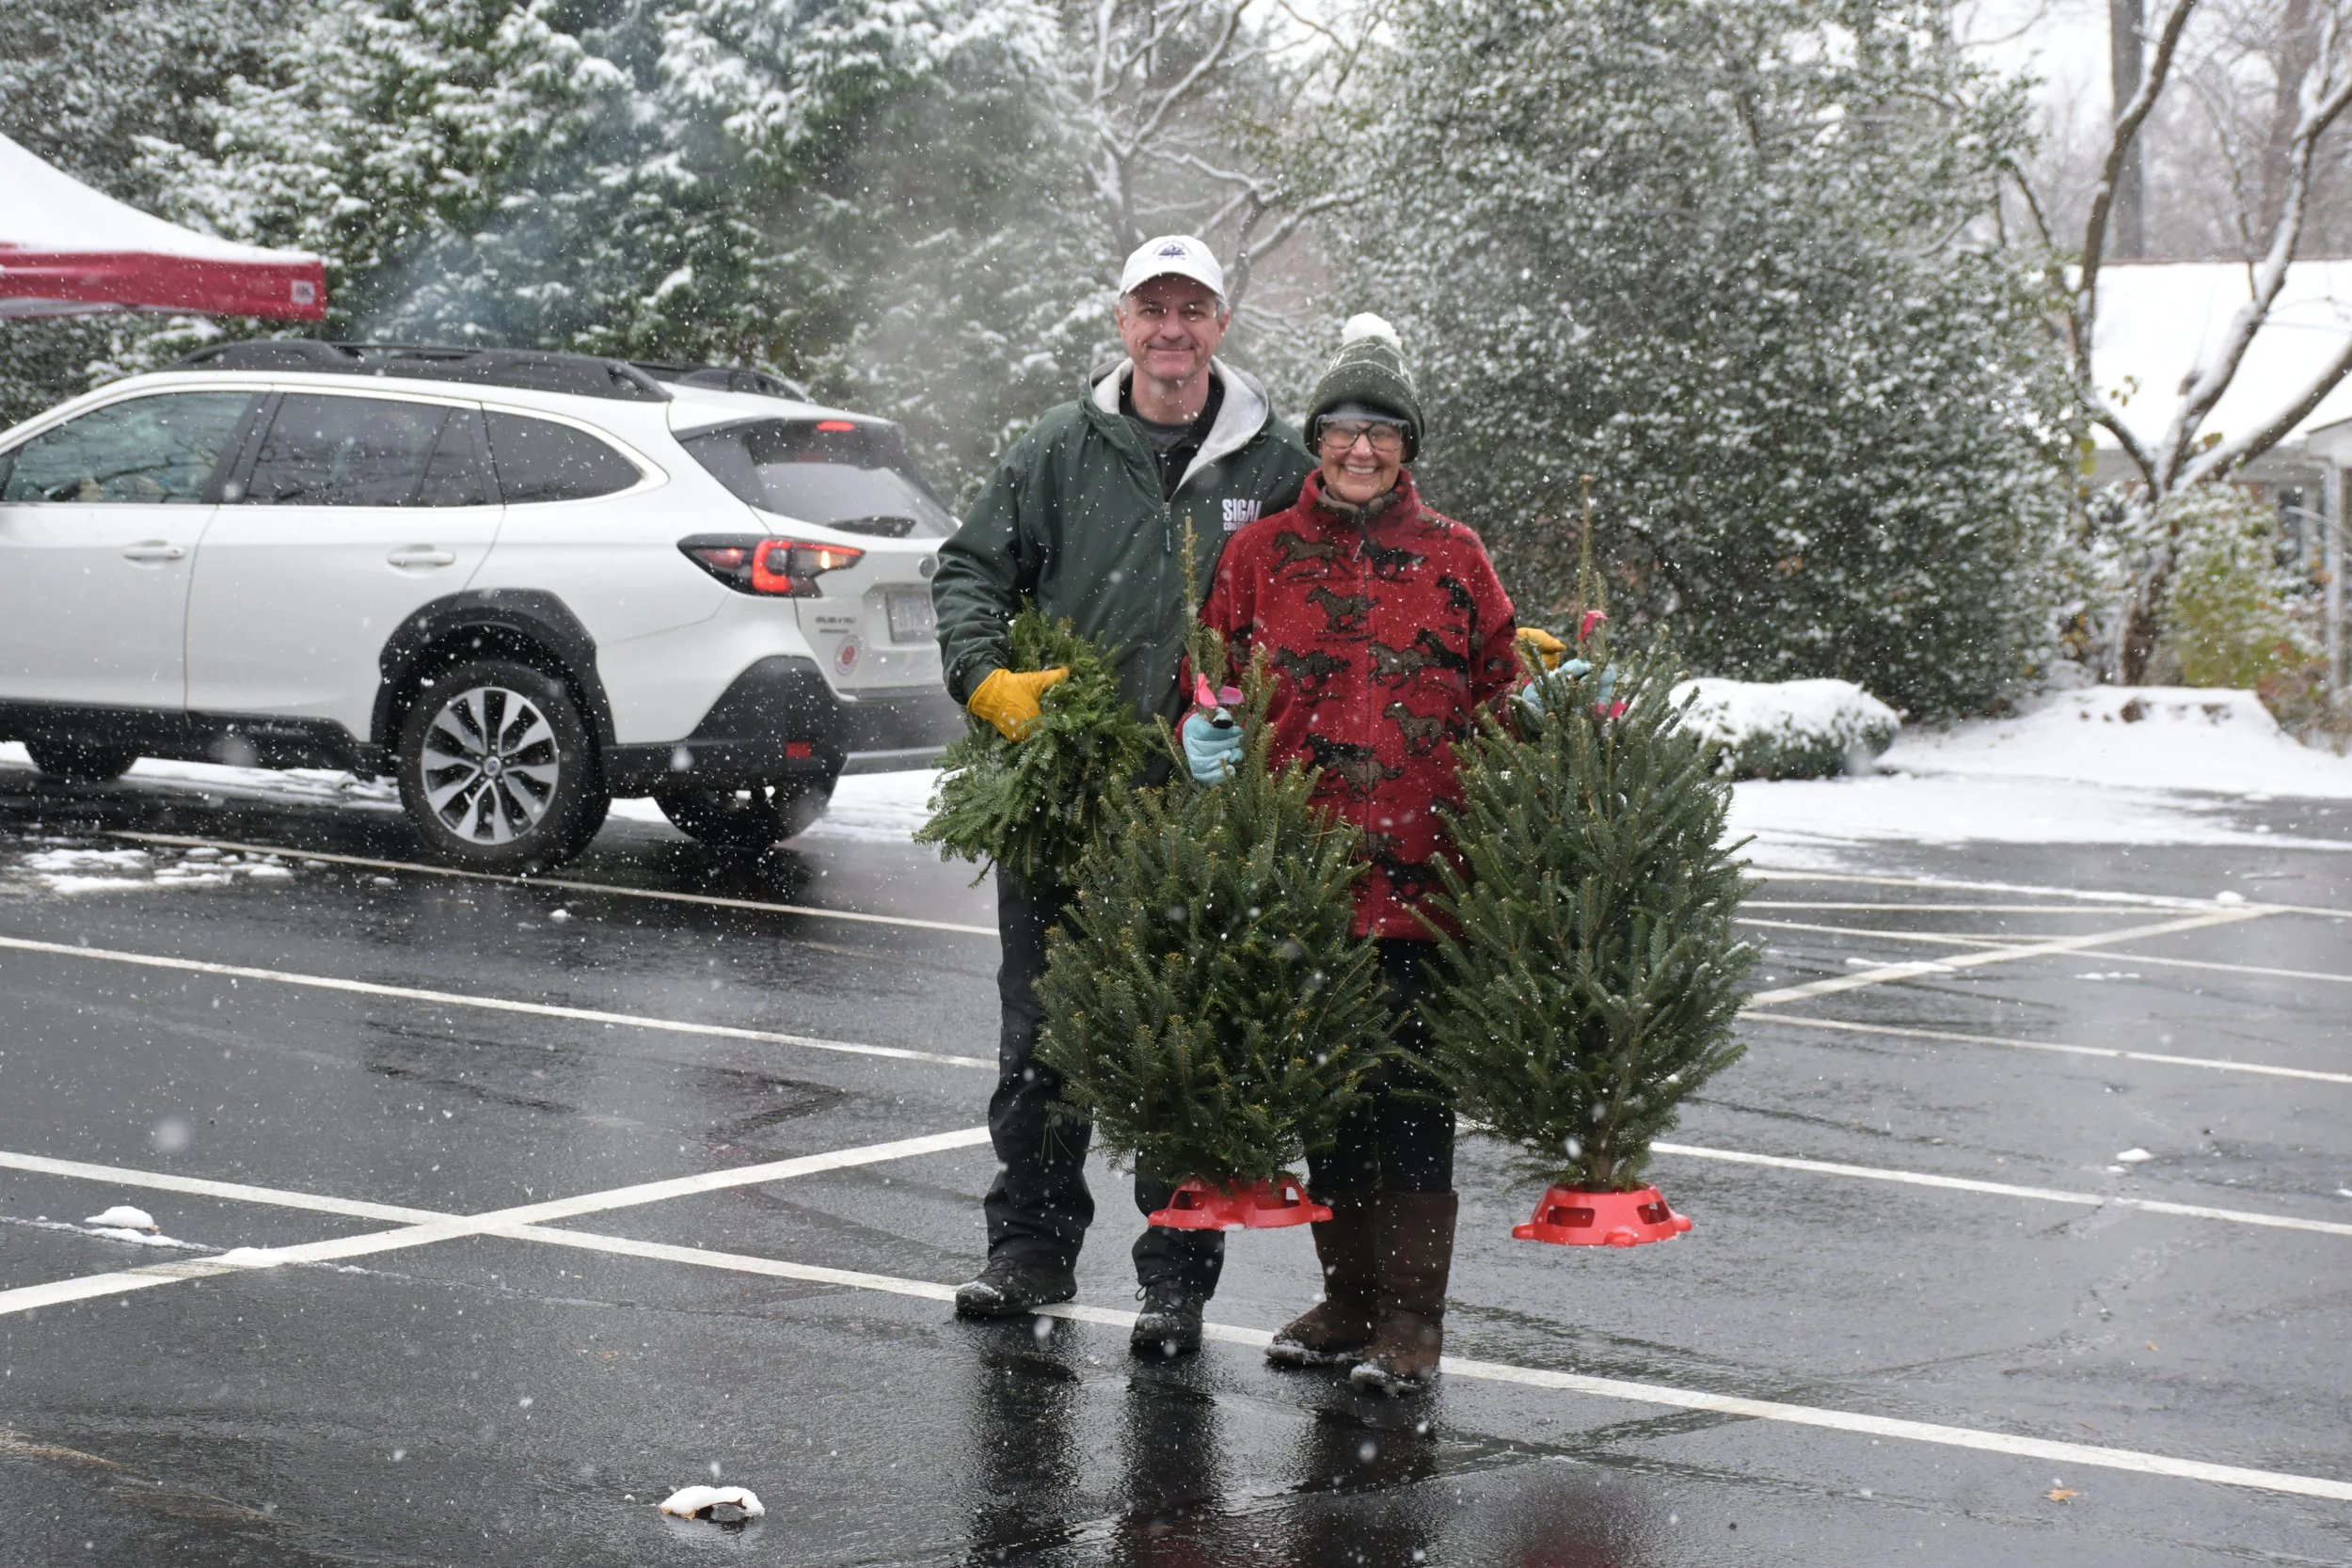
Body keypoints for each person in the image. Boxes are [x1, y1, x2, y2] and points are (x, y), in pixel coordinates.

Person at [930, 235, 1317, 1358]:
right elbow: (968, 569)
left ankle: (1175, 1278)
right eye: (1153, 308)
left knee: (1182, 1038)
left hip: (1203, 803)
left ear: (1221, 325)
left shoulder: (1274, 465)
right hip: (1069, 789)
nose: (1171, 329)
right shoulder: (1058, 448)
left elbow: (1335, 576)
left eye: (1192, 308)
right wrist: (985, 679)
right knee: (1041, 1033)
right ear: (1121, 322)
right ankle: (1031, 1249)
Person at [1190, 314, 1536, 1392]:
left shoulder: (1454, 553)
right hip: (1299, 875)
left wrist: (1546, 708)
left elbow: (1502, 682)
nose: (1360, 448)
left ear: (1407, 447)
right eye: (1342, 427)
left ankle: (1411, 1325)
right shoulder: (1258, 554)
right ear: (1315, 438)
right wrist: (1203, 729)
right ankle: (1347, 1303)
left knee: (1410, 1099)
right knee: (1329, 1093)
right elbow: (1209, 677)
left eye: (1382, 431)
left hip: (1426, 880)